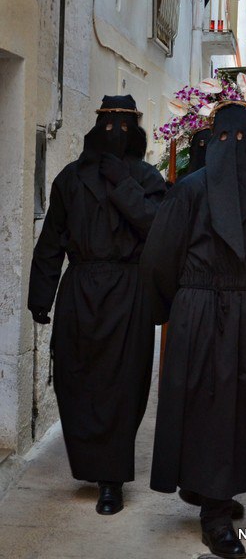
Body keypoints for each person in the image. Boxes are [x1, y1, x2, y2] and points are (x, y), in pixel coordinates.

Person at [140, 102, 246, 559]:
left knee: (239, 405)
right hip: (208, 310)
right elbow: (163, 258)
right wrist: (177, 306)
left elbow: (160, 257)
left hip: (234, 309)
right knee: (210, 405)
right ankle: (213, 512)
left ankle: (216, 492)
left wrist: (173, 304)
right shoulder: (203, 191)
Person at [28, 95, 167, 515]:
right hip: (81, 289)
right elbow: (51, 241)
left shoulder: (146, 178)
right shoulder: (70, 179)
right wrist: (41, 297)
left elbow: (158, 229)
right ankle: (90, 464)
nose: (115, 136)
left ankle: (112, 480)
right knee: (78, 378)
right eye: (110, 126)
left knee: (123, 383)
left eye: (122, 127)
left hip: (129, 291)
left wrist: (122, 184)